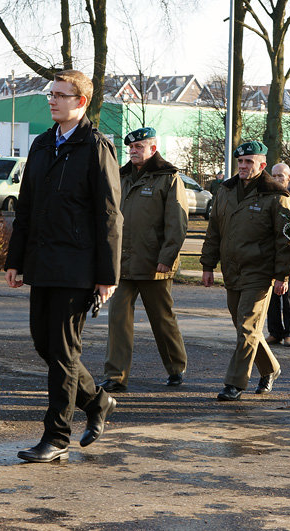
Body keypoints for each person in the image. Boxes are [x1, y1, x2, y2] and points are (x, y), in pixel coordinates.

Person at [5, 70, 122, 463]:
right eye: (51, 94)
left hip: (77, 266)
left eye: (61, 95)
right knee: (45, 344)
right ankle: (98, 400)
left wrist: (107, 276)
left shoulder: (95, 146)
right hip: (42, 262)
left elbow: (109, 215)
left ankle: (56, 437)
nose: (52, 101)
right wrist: (15, 259)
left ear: (81, 102)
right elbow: (26, 209)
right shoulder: (41, 144)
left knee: (62, 353)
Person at [200, 141, 290, 401]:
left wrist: (282, 275)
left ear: (262, 165)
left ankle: (235, 383)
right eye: (240, 162)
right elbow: (214, 231)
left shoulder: (276, 195)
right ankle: (270, 368)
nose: (243, 166)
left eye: (249, 162)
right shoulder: (226, 190)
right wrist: (207, 265)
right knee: (246, 328)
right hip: (232, 271)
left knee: (246, 327)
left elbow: (285, 240)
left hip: (260, 272)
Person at [99, 127, 189, 393]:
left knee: (162, 319)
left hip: (153, 263)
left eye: (139, 147)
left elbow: (177, 222)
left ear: (153, 147)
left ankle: (176, 367)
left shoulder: (168, 177)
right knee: (117, 320)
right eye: (131, 148)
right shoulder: (121, 176)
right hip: (122, 262)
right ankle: (116, 375)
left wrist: (167, 257)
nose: (133, 152)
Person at [265, 162, 290, 348]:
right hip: (270, 249)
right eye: (274, 175)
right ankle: (275, 332)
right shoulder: (266, 193)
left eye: (281, 175)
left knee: (289, 293)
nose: (277, 179)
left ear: (289, 177)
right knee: (271, 293)